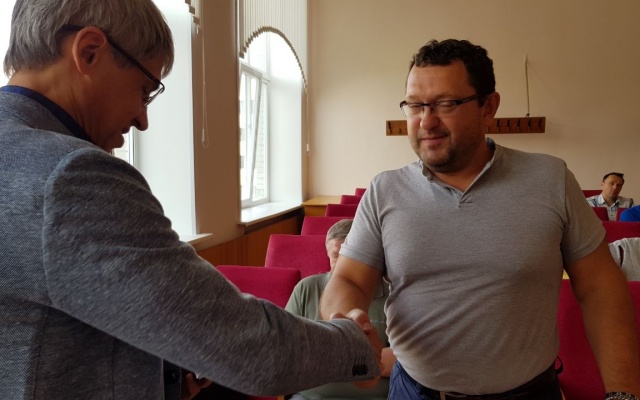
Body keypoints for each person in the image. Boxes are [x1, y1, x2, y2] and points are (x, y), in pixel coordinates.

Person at [0, 1, 382, 399]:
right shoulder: (72, 176)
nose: (142, 120)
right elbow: (250, 349)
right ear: (90, 52)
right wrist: (353, 345)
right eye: (144, 91)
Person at [320, 39, 640, 400]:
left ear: (488, 107)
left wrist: (623, 393)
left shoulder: (550, 180)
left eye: (446, 103)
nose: (426, 121)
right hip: (416, 391)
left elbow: (600, 287)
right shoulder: (385, 190)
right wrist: (347, 323)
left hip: (528, 394)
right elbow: (348, 279)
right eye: (415, 105)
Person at [285, 219, 395, 400]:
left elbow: (403, 360)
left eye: (351, 257)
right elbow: (287, 350)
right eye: (336, 256)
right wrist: (364, 358)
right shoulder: (306, 288)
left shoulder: (394, 294)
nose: (342, 264)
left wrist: (323, 356)